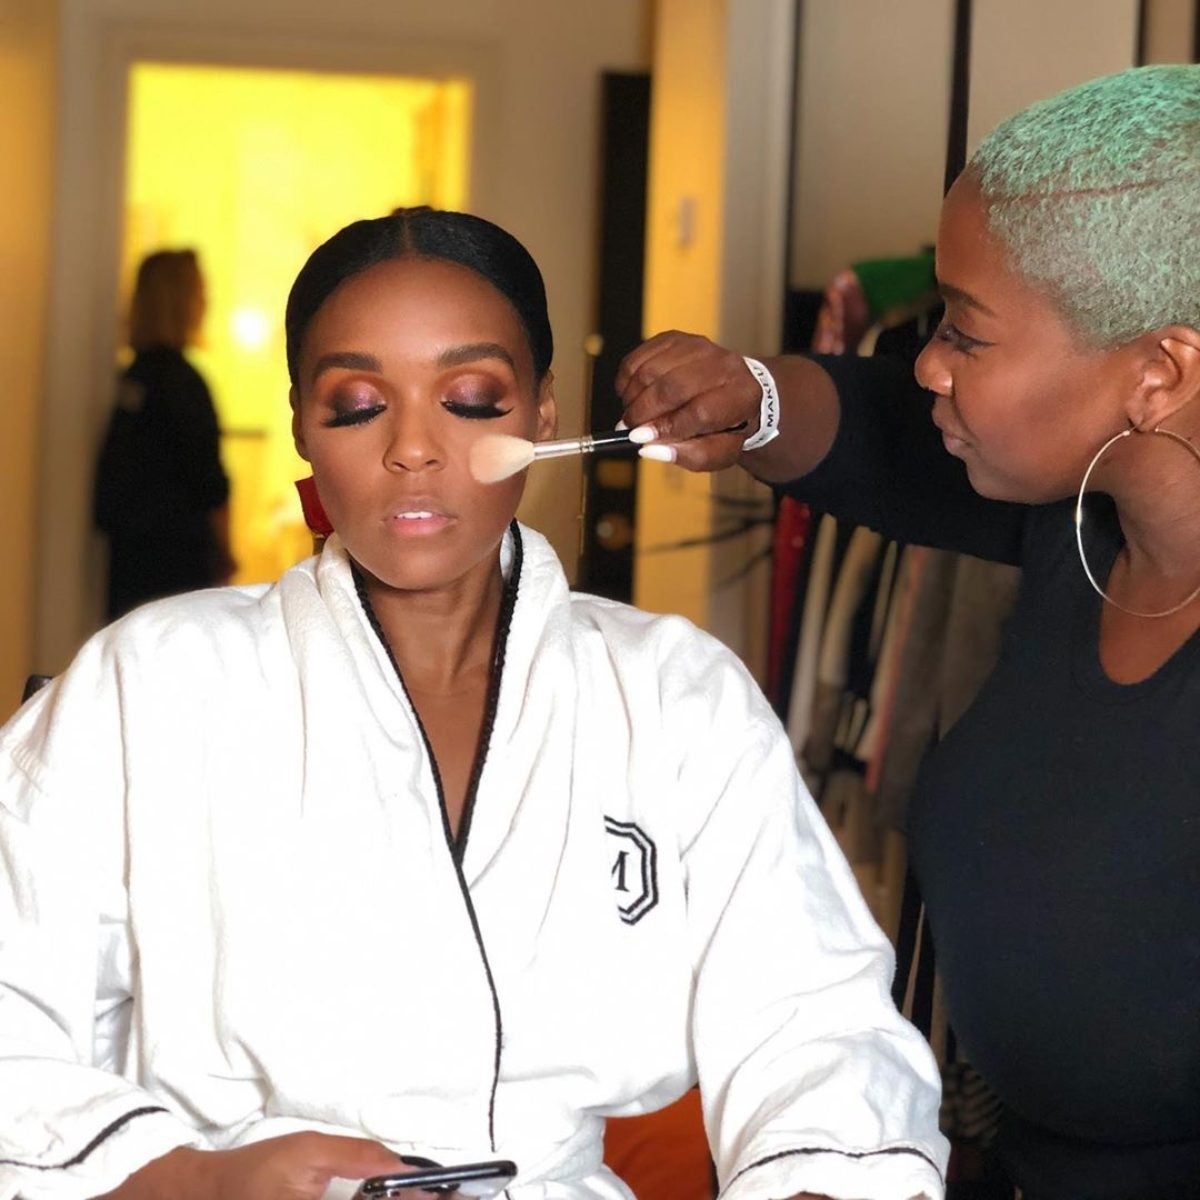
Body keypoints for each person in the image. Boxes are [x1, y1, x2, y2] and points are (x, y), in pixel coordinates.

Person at [0, 209, 948, 1200]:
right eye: (357, 404)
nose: (414, 448)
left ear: (541, 412)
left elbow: (817, 1022)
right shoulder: (157, 680)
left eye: (469, 398)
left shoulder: (671, 695)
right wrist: (195, 1180)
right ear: (302, 426)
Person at [614, 64, 1200, 1200]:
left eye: (966, 335)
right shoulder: (1080, 518)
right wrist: (750, 395)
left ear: (1156, 374)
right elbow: (888, 432)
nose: (927, 359)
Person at [93, 248, 235, 620]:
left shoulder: (134, 377)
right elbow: (209, 480)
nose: (206, 303)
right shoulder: (183, 383)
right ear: (181, 301)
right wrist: (225, 551)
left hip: (129, 558)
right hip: (177, 559)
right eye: (200, 293)